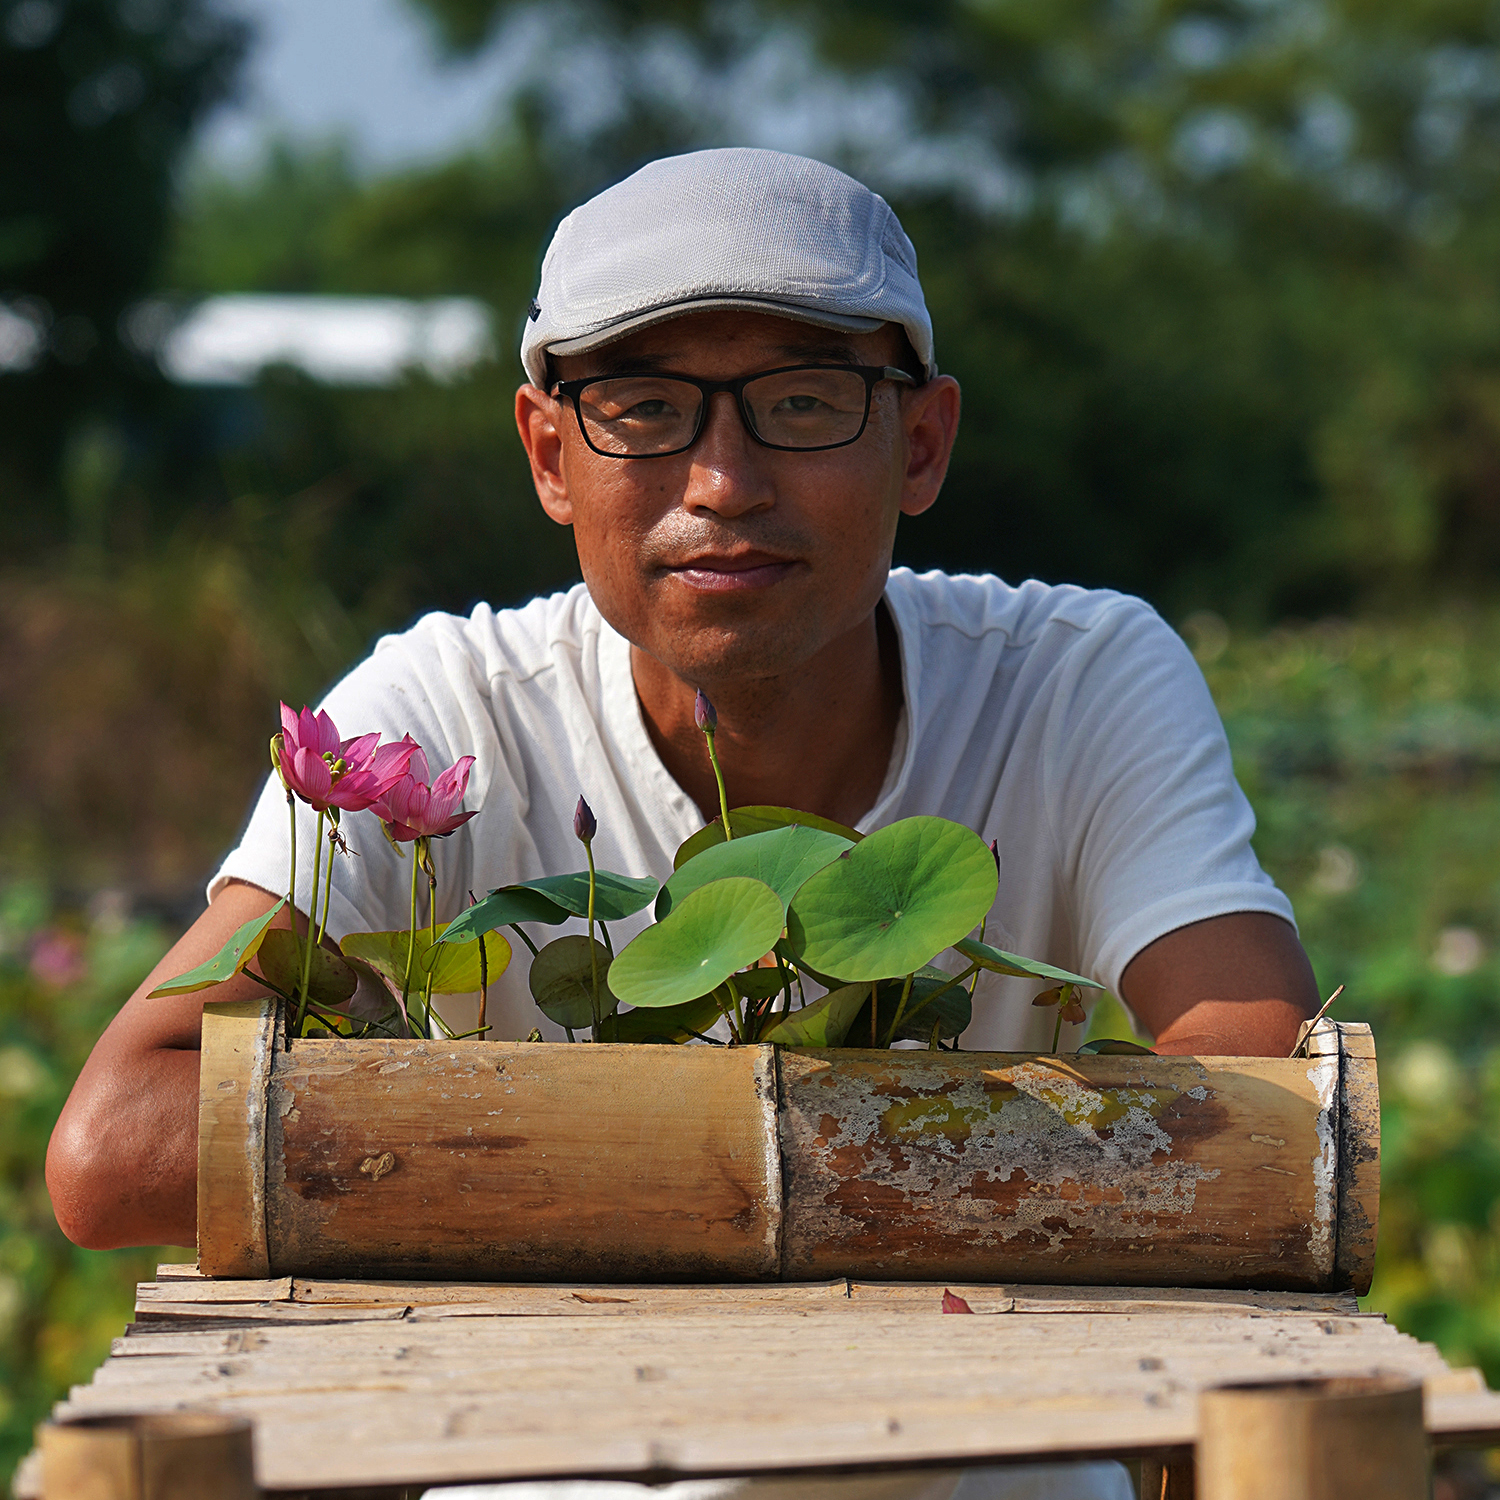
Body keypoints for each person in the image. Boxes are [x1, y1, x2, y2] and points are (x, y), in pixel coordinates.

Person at [47, 148, 1317, 1500]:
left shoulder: (1074, 675)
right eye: (645, 410)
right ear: (548, 454)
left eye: (806, 403)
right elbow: (115, 1148)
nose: (722, 479)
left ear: (924, 442)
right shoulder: (448, 701)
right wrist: (768, 1160)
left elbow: (1260, 1091)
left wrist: (583, 1162)